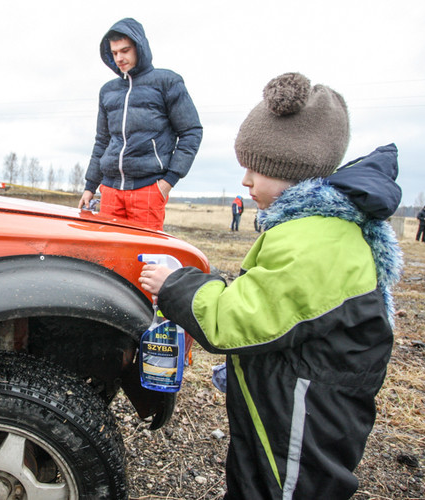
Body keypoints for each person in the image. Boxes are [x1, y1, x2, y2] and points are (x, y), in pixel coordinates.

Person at [139, 73, 403, 499]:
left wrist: (177, 284)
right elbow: (275, 309)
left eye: (256, 168)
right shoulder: (314, 231)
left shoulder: (316, 241)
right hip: (284, 409)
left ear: (291, 172)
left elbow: (237, 319)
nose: (245, 180)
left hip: (301, 426)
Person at [78, 18, 203, 231]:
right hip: (109, 190)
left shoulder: (167, 82)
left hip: (148, 189)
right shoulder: (108, 91)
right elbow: (102, 141)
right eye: (114, 52)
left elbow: (191, 132)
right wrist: (90, 186)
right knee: (108, 254)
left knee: (144, 257)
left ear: (139, 47)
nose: (119, 58)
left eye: (125, 50)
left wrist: (167, 182)